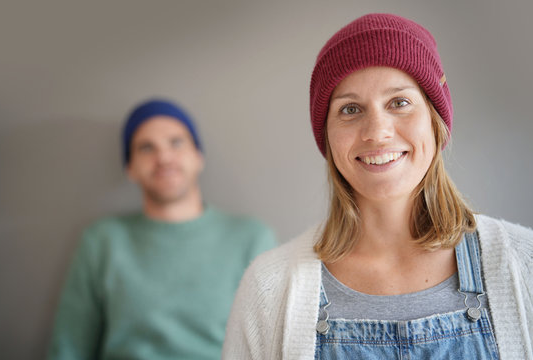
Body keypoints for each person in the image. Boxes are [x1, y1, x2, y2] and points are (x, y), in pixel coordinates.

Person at [222, 13, 533, 359]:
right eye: (350, 109)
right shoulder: (269, 287)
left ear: (435, 120)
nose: (377, 131)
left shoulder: (525, 264)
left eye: (399, 102)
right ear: (327, 135)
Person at [48, 99, 276, 360]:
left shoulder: (251, 238)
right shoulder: (102, 240)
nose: (164, 157)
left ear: (198, 156)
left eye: (176, 142)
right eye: (146, 148)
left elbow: (273, 346)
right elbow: (68, 348)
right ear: (130, 168)